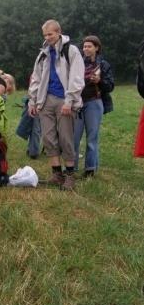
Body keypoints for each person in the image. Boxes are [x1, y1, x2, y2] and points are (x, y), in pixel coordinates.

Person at [28, 19, 85, 190]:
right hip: (46, 100)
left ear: (59, 32)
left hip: (65, 100)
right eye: (45, 35)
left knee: (66, 138)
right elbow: (36, 78)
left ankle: (70, 175)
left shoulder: (71, 50)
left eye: (50, 34)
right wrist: (33, 100)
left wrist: (70, 100)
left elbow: (77, 77)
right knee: (49, 138)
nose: (47, 37)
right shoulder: (43, 53)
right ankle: (56, 174)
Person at [74, 35, 114, 177]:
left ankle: (90, 169)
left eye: (89, 46)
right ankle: (72, 168)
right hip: (77, 103)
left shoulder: (103, 64)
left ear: (96, 48)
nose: (86, 49)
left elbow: (110, 86)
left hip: (94, 103)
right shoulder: (77, 63)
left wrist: (100, 80)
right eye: (84, 46)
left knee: (92, 138)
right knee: (74, 137)